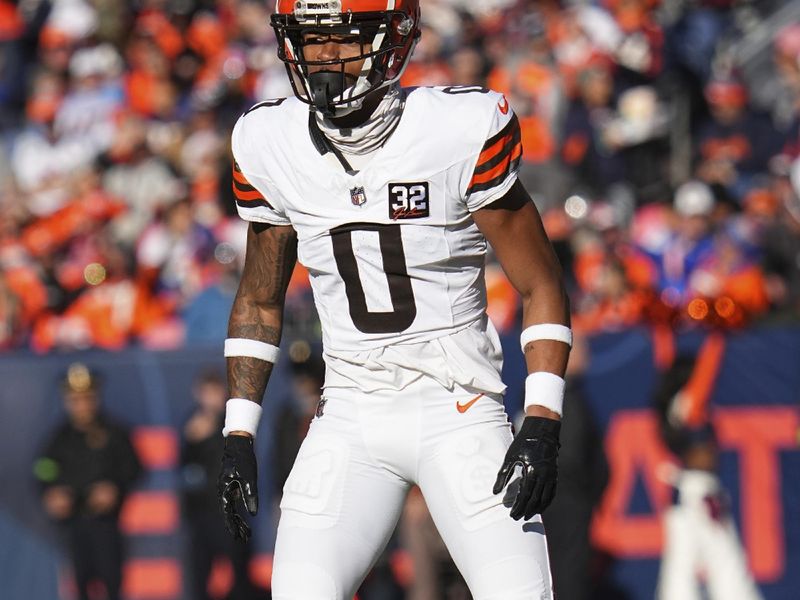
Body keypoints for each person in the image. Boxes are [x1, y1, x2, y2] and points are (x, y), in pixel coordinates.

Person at [216, 1, 572, 598]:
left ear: (394, 39)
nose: (323, 55)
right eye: (310, 38)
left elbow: (541, 284)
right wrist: (237, 433)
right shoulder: (267, 141)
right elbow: (259, 299)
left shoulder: (457, 129)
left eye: (343, 37)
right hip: (350, 412)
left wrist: (541, 421)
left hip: (460, 409)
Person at [33, 362, 142, 600]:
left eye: (87, 398)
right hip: (74, 524)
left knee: (111, 583)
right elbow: (43, 468)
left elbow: (133, 468)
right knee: (79, 583)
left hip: (106, 523)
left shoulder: (114, 433)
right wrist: (51, 491)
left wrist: (114, 487)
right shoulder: (58, 437)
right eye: (75, 400)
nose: (82, 406)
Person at [180, 369, 259, 600]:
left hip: (231, 511)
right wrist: (191, 440)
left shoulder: (234, 425)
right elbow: (185, 468)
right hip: (201, 512)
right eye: (206, 392)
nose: (210, 398)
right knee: (199, 574)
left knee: (239, 573)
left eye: (215, 391)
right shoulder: (191, 425)